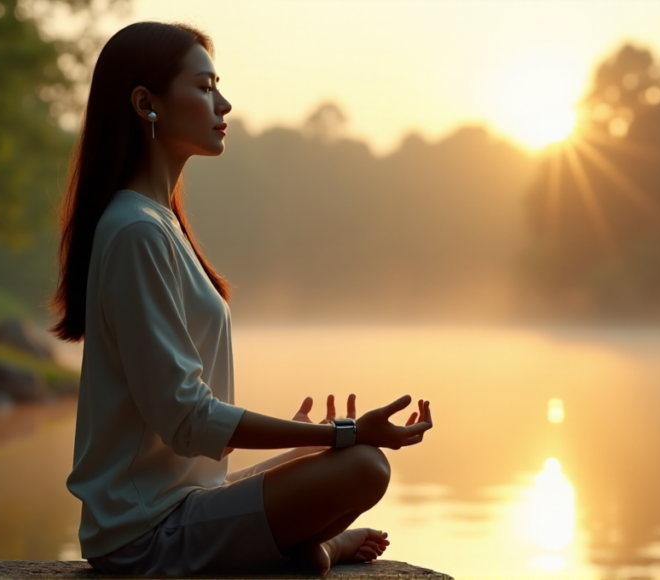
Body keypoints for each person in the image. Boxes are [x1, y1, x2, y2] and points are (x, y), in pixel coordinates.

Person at [47, 21, 433, 577]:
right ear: (146, 104)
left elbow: (185, 433)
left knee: (328, 458)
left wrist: (304, 443)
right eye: (204, 87)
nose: (223, 104)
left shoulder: (158, 222)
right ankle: (321, 548)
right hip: (144, 535)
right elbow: (187, 419)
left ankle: (309, 547)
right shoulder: (136, 231)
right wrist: (339, 432)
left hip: (183, 501)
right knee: (365, 465)